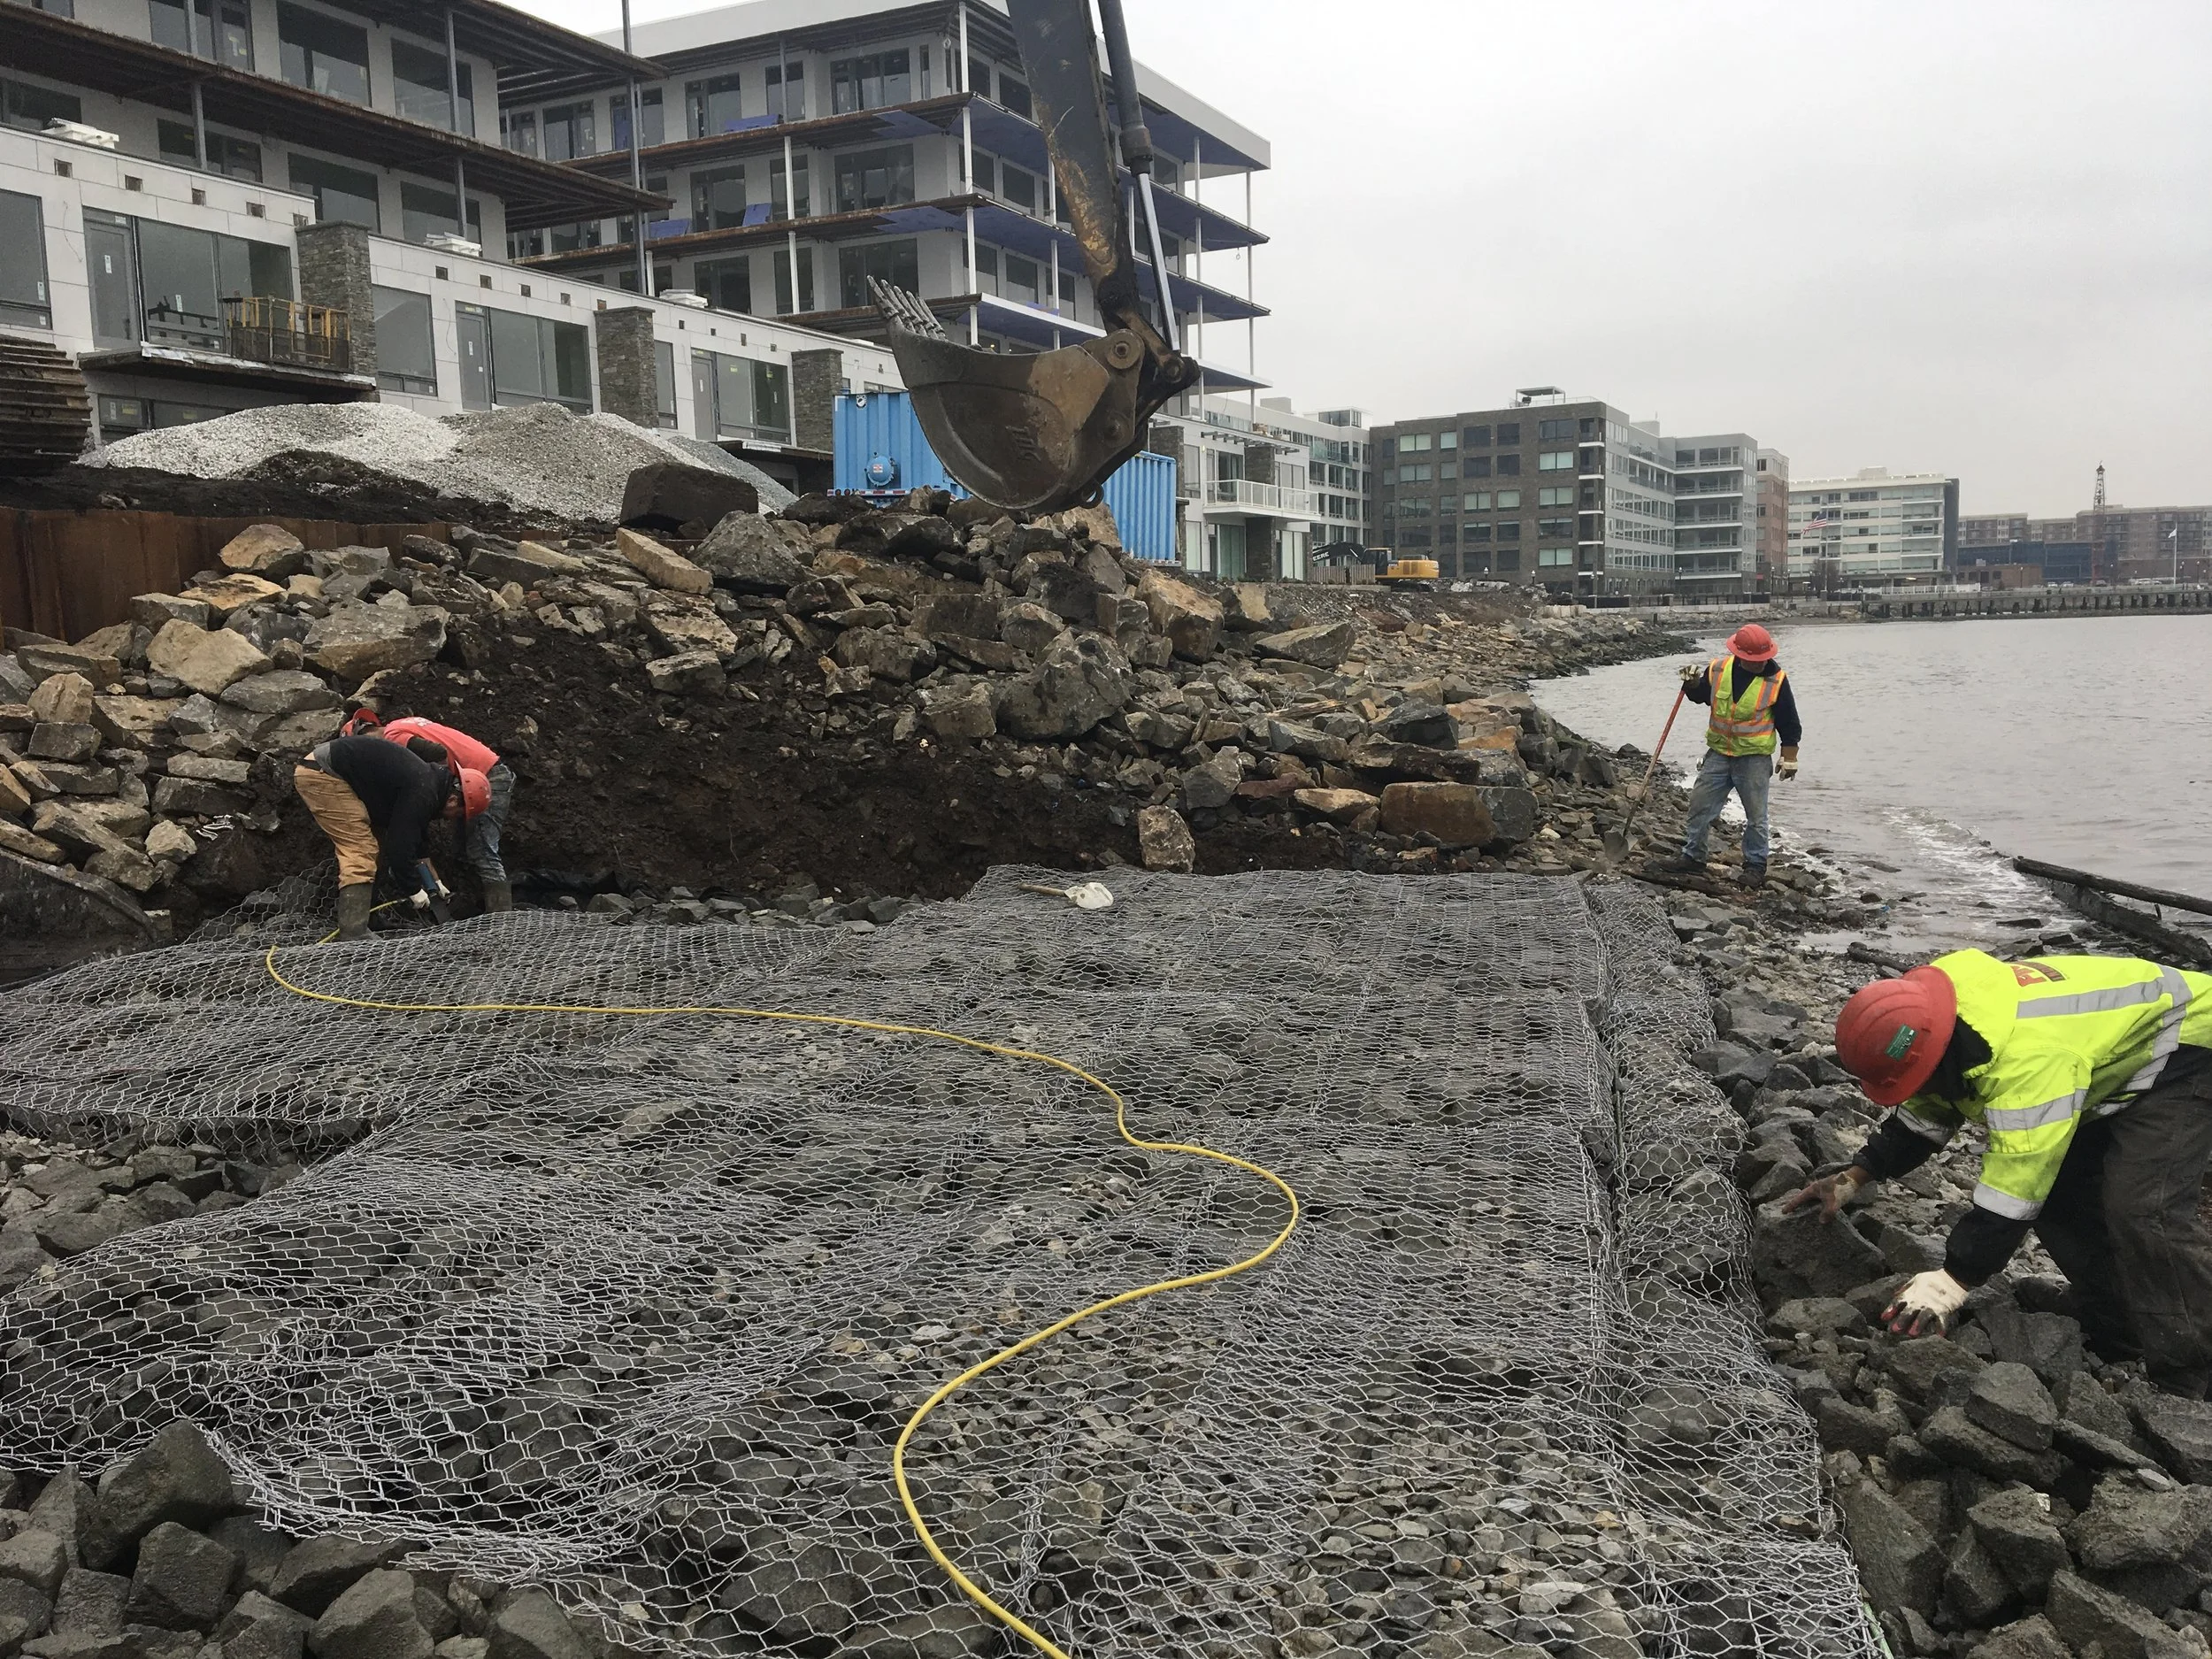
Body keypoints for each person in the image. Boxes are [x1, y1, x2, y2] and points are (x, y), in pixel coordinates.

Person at [1789, 949, 2212, 1394]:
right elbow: (1926, 1114)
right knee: (2065, 1194)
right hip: (2108, 1056)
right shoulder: (1943, 1024)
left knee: (2144, 1208)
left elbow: (2017, 1185)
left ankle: (2194, 1371)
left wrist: (1954, 1280)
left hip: (2190, 1046)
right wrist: (1853, 1178)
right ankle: (2117, 1321)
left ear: (1936, 1054)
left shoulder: (2028, 1063)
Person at [293, 734, 490, 941]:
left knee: (375, 847)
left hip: (340, 774)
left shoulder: (429, 784)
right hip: (323, 774)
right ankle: (353, 932)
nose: (453, 820)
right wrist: (413, 890)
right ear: (452, 800)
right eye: (459, 814)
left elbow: (415, 836)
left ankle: (369, 920)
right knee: (361, 849)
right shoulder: (423, 790)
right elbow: (399, 846)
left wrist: (436, 882)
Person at [1657, 622, 1801, 888]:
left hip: (1754, 759)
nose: (1760, 663)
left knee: (1756, 816)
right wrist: (1692, 683)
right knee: (1699, 806)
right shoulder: (1718, 669)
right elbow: (1702, 696)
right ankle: (1693, 857)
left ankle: (1755, 865)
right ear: (1740, 654)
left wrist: (1789, 755)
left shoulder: (1776, 680)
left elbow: (1789, 722)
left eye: (1763, 658)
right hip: (1719, 754)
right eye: (1753, 659)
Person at [354, 710, 518, 913]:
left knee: (481, 848)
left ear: (365, 732)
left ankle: (502, 919)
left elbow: (438, 753)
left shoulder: (393, 736)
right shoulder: (403, 724)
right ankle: (473, 912)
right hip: (473, 777)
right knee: (461, 850)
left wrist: (432, 788)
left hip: (484, 779)